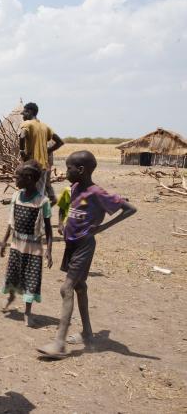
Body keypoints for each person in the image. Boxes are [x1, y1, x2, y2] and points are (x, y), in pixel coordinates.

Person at [38, 151, 136, 358]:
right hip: (71, 245)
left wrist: (101, 227)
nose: (66, 172)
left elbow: (129, 209)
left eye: (69, 168)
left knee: (66, 288)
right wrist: (63, 223)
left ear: (81, 170)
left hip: (84, 246)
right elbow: (67, 206)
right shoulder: (74, 188)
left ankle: (59, 343)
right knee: (80, 286)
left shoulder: (96, 192)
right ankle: (88, 333)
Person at [0, 160, 54, 327]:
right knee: (13, 275)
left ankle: (28, 312)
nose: (15, 180)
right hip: (16, 245)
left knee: (31, 280)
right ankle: (11, 297)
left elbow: (49, 229)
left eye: (18, 177)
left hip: (33, 248)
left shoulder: (43, 202)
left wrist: (49, 251)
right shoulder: (16, 196)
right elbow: (11, 222)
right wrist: (4, 241)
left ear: (29, 178)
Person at [19, 102, 64, 203]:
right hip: (43, 167)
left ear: (30, 112)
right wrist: (48, 150)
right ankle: (42, 217)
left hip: (31, 167)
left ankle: (34, 216)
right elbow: (60, 142)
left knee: (30, 196)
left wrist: (22, 151)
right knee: (40, 194)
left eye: (24, 113)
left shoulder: (27, 124)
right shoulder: (45, 126)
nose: (23, 116)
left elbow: (22, 136)